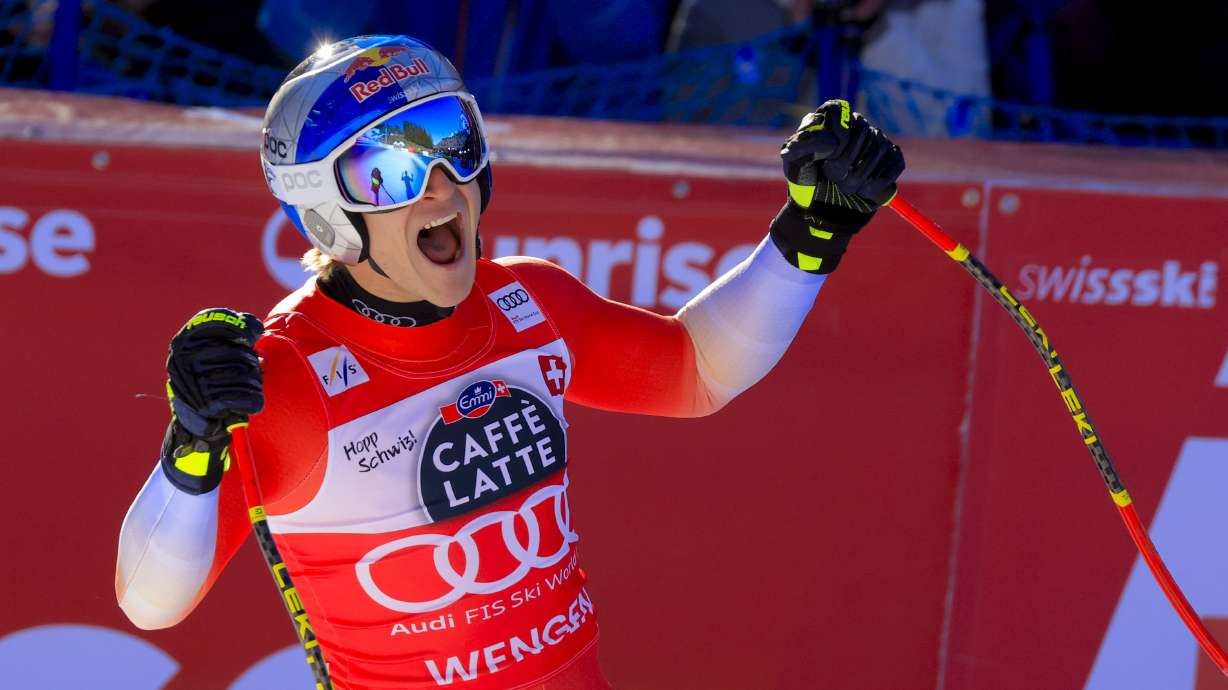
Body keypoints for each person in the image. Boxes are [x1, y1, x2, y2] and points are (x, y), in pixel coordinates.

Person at [115, 35, 903, 690]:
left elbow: (698, 370)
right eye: (388, 171)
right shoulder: (286, 380)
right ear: (327, 214)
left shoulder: (531, 305)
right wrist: (189, 446)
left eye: (450, 144)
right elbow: (150, 604)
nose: (439, 186)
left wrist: (811, 236)